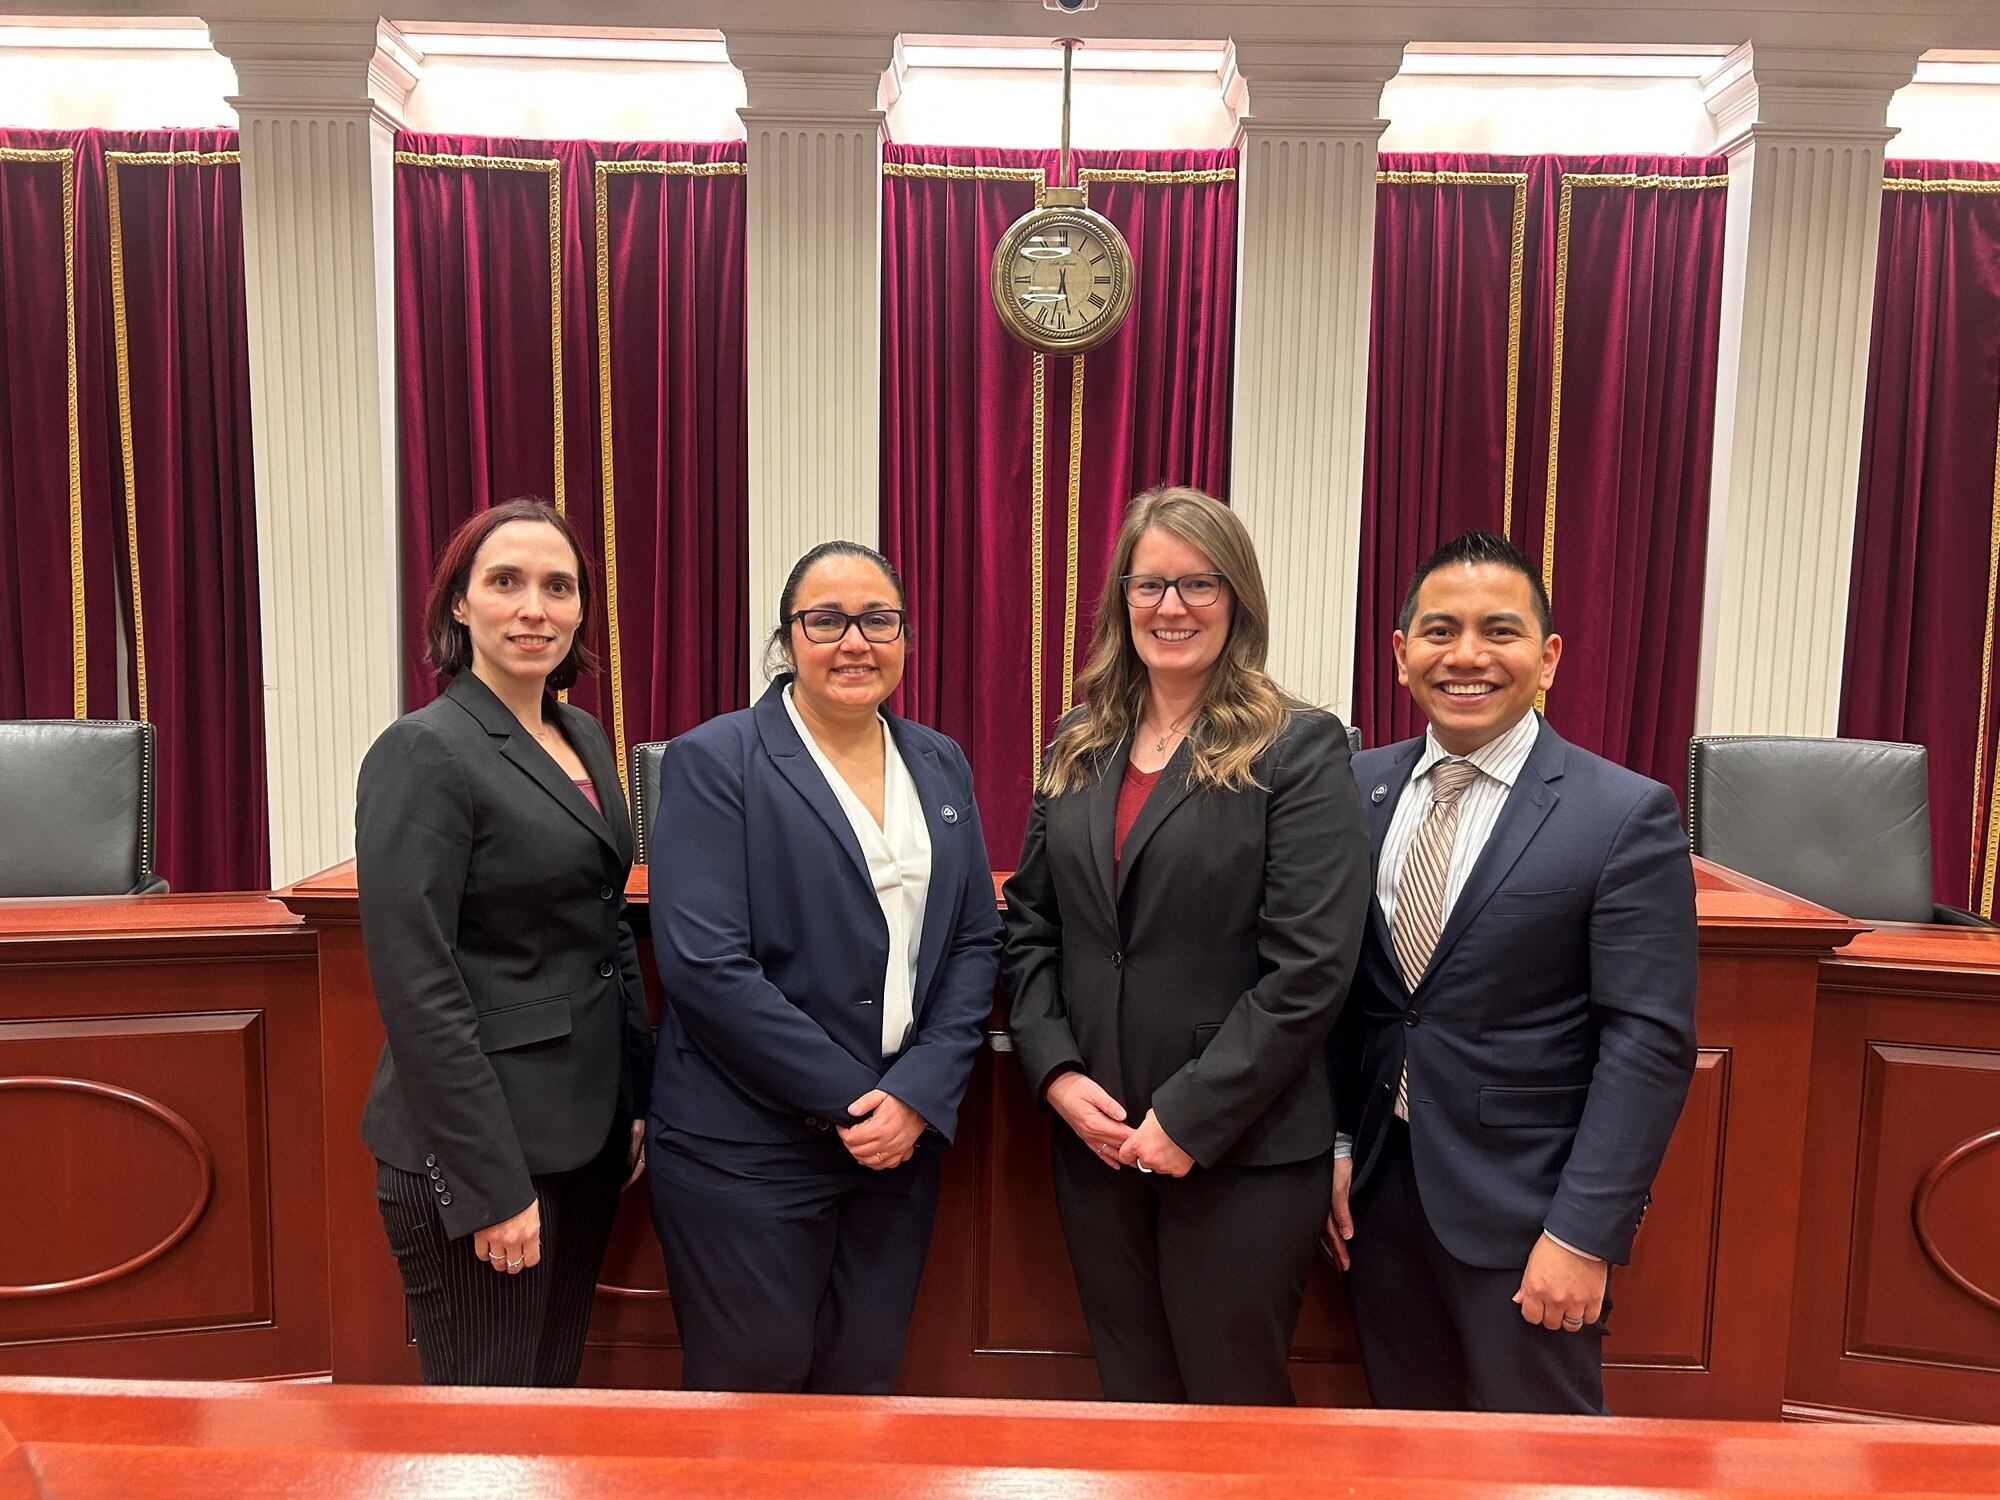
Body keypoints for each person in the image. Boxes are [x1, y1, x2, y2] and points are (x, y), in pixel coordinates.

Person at [1002, 485, 1370, 1406]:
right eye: (1149, 584)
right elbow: (1033, 923)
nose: (1172, 608)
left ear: (1237, 598)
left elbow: (1311, 968)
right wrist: (1052, 1069)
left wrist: (1191, 1119)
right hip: (1098, 1141)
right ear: (1120, 600)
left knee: (1229, 1417)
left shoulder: (1300, 747)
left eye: (1198, 584)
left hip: (1239, 1153)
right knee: (1132, 1408)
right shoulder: (1078, 743)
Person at [1326, 529, 1697, 1415]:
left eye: (1500, 631)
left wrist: (1583, 1233)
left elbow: (1646, 1043)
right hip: (1378, 1200)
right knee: (1405, 1457)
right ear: (1400, 652)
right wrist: (1337, 1144)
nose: (1467, 656)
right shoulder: (1351, 789)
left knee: (1541, 1465)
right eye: (1440, 630)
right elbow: (1340, 997)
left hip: (1530, 1217)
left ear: (1549, 657)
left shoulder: (1623, 814)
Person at [646, 540, 1002, 1394]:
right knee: (751, 1413)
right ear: (786, 638)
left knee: (862, 1396)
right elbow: (705, 967)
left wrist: (916, 1093)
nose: (855, 642)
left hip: (898, 1150)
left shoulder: (939, 759)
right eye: (826, 620)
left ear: (906, 638)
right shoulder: (715, 761)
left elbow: (975, 941)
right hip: (747, 1150)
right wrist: (856, 1102)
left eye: (879, 620)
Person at [355, 497, 653, 1386]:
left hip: (585, 1130)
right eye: (506, 582)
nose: (536, 608)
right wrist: (490, 1186)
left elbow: (607, 922)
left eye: (559, 587)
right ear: (460, 604)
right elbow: (419, 987)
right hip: (487, 1153)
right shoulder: (425, 752)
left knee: (548, 1401)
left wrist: (633, 1094)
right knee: (486, 1434)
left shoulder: (582, 734)